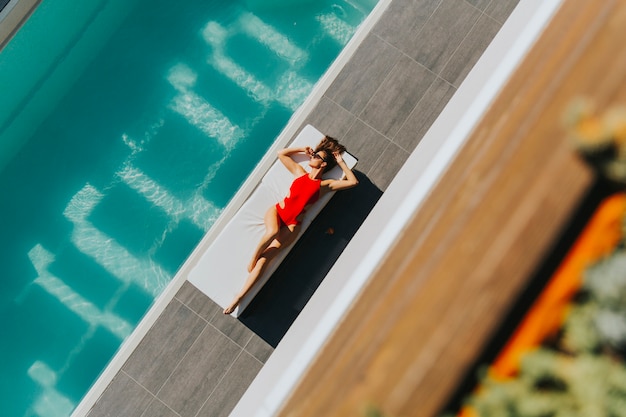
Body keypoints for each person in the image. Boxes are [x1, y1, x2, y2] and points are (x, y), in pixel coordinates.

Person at [223, 136, 358, 314]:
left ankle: (238, 297)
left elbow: (353, 182)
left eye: (317, 156)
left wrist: (341, 163)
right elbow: (281, 154)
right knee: (271, 233)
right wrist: (304, 149)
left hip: (292, 224)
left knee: (265, 260)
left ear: (323, 164)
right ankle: (254, 256)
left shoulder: (324, 186)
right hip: (277, 212)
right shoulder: (299, 172)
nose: (313, 156)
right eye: (314, 154)